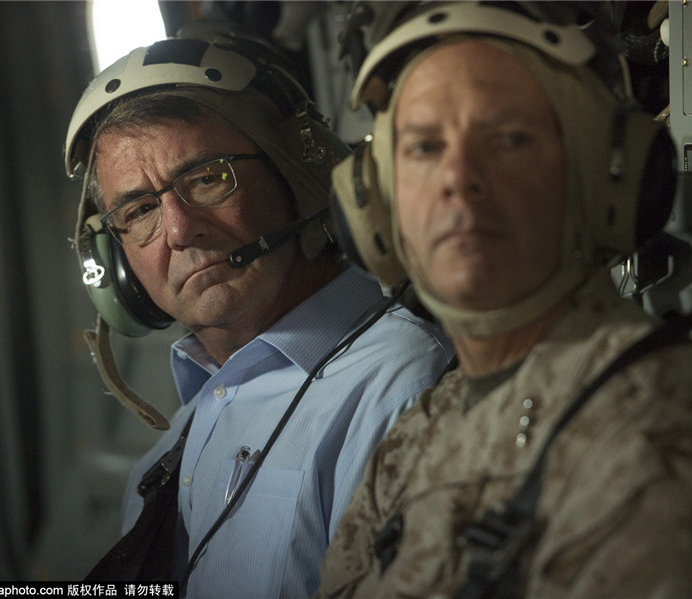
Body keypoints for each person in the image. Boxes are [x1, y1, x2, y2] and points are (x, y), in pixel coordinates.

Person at [317, 3, 692, 598]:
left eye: (509, 138)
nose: (458, 177)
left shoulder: (654, 426)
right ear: (376, 203)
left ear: (602, 180)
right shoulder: (425, 424)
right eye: (424, 147)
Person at [64, 22, 453, 598]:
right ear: (115, 264)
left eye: (206, 178)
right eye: (140, 210)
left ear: (300, 176)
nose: (179, 229)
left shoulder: (400, 387)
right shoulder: (174, 445)